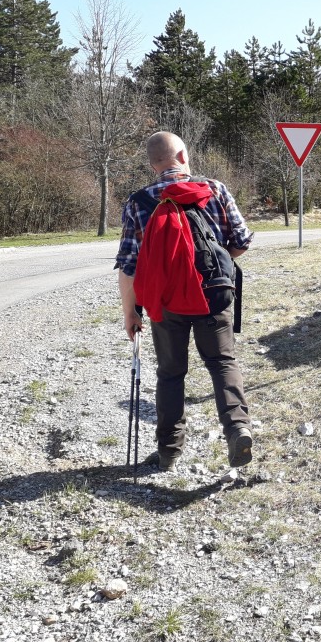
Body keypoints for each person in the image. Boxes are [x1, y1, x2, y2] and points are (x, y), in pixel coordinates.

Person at [115, 131, 254, 471]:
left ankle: (168, 452)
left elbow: (129, 266)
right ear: (184, 157)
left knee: (171, 374)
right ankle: (237, 430)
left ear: (153, 166)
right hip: (213, 296)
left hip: (166, 303)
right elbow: (240, 242)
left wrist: (130, 312)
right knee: (221, 362)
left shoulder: (138, 202)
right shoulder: (215, 190)